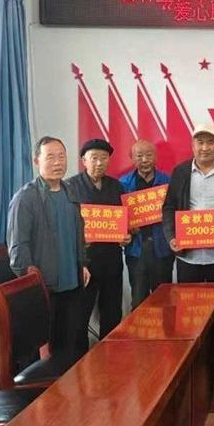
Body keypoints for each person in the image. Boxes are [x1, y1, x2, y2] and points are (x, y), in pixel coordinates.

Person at [7, 136, 90, 357]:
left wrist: (82, 264)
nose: (57, 162)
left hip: (72, 285)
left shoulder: (70, 191)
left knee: (69, 349)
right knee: (44, 356)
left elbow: (78, 234)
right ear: (36, 161)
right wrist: (33, 287)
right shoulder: (25, 198)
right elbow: (18, 250)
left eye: (61, 156)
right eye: (50, 157)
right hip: (44, 290)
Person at [162, 123, 214, 283]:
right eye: (200, 142)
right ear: (193, 145)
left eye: (210, 142)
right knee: (188, 298)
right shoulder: (180, 172)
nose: (205, 148)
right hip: (188, 256)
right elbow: (169, 208)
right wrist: (171, 237)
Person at [67, 138, 130, 342]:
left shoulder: (117, 187)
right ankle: (80, 358)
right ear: (84, 161)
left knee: (112, 312)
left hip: (112, 260)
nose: (99, 162)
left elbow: (126, 222)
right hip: (85, 262)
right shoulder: (70, 187)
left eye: (104, 158)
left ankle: (110, 355)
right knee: (80, 315)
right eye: (94, 158)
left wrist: (126, 235)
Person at [120, 139, 174, 308]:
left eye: (149, 155)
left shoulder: (168, 181)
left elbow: (176, 212)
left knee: (164, 299)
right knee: (138, 300)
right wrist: (126, 227)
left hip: (162, 248)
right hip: (137, 250)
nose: (144, 160)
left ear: (156, 157)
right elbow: (117, 217)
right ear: (132, 158)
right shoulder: (123, 184)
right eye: (139, 156)